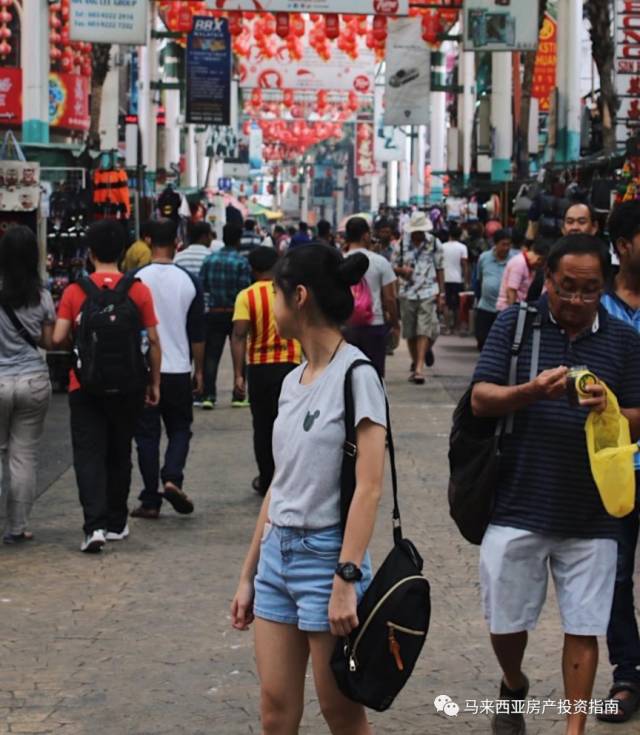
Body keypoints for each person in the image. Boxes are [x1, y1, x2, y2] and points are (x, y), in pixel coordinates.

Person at [472, 234, 640, 735]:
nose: (576, 301)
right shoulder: (514, 325)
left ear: (603, 289)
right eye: (566, 288)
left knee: (585, 625)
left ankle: (574, 728)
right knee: (505, 622)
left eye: (589, 291)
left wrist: (607, 407)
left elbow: (638, 416)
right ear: (548, 281)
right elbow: (481, 398)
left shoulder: (624, 341)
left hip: (594, 512)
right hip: (518, 501)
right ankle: (513, 681)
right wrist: (529, 391)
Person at [230, 244, 387, 735]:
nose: (270, 306)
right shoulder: (292, 380)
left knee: (341, 711)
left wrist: (346, 579)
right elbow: (282, 481)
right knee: (275, 710)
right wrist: (248, 574)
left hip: (326, 560)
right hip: (278, 557)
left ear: (298, 297)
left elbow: (369, 489)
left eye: (275, 294)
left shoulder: (358, 376)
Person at [53, 221, 161, 552]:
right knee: (119, 450)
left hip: (83, 385)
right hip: (129, 384)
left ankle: (94, 527)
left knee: (89, 454)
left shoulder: (75, 291)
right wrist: (154, 382)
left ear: (90, 253)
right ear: (123, 252)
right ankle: (117, 522)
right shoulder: (138, 290)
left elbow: (58, 337)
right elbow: (154, 340)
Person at [597, 200, 640, 723]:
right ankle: (627, 674)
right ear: (625, 244)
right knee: (616, 575)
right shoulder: (597, 309)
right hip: (615, 468)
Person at [131, 219, 205, 520]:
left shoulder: (136, 279)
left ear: (148, 242)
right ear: (177, 243)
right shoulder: (189, 281)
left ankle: (150, 500)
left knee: (147, 436)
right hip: (178, 368)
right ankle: (172, 477)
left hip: (146, 368)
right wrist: (199, 371)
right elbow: (198, 333)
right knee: (179, 428)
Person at [231, 247, 302, 496]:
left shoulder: (246, 296)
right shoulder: (291, 294)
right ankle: (291, 479)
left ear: (252, 269)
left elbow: (239, 335)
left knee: (262, 427)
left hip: (259, 369)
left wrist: (238, 375)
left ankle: (267, 479)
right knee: (290, 425)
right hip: (290, 366)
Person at [0, 226, 55, 544]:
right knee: (23, 456)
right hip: (33, 381)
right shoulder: (42, 296)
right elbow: (48, 341)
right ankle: (17, 528)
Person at [199, 223, 252, 410]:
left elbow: (202, 286)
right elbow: (244, 290)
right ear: (238, 240)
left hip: (214, 313)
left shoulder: (210, 260)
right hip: (236, 314)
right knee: (239, 354)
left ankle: (208, 396)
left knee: (212, 355)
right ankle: (238, 395)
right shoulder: (241, 262)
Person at [343, 216, 399, 377]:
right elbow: (390, 298)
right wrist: (395, 324)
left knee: (347, 375)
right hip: (374, 325)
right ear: (366, 236)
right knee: (374, 374)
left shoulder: (338, 260)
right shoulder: (380, 262)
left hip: (346, 327)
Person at [393, 210, 445, 385]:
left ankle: (419, 369)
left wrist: (441, 294)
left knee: (424, 329)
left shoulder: (434, 243)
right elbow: (392, 267)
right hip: (407, 292)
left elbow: (440, 268)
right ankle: (417, 361)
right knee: (410, 332)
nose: (418, 234)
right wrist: (401, 271)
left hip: (428, 291)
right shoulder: (401, 244)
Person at [474, 230, 516, 350]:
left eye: (509, 244)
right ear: (495, 244)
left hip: (504, 308)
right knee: (482, 338)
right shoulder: (484, 258)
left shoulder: (514, 260)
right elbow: (479, 279)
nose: (506, 248)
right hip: (486, 306)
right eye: (503, 244)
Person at [496, 240, 549, 311]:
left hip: (518, 307)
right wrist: (512, 312)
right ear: (539, 259)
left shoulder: (530, 267)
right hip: (506, 309)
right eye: (540, 264)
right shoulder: (519, 263)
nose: (539, 267)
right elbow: (511, 291)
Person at [442, 223, 469, 334]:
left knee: (446, 304)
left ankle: (448, 328)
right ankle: (457, 327)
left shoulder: (443, 246)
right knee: (458, 305)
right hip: (457, 279)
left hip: (445, 278)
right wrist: (467, 280)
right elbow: (464, 265)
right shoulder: (462, 247)